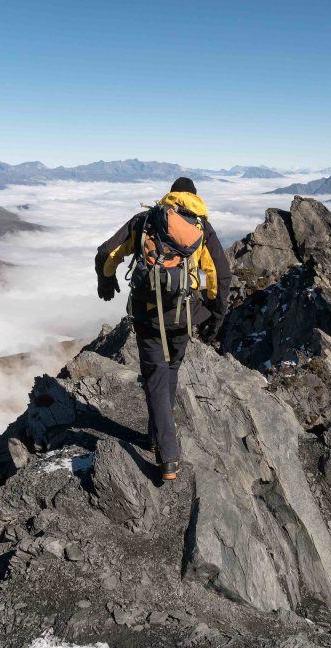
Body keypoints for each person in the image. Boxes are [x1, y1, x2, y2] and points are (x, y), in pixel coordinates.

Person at [94, 177, 231, 481]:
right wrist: (215, 317)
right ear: (193, 198)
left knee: (156, 375)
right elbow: (220, 275)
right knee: (170, 370)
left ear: (171, 195)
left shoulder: (146, 220)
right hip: (184, 314)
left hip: (147, 315)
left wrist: (106, 279)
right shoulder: (201, 228)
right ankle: (160, 437)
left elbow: (106, 252)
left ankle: (167, 454)